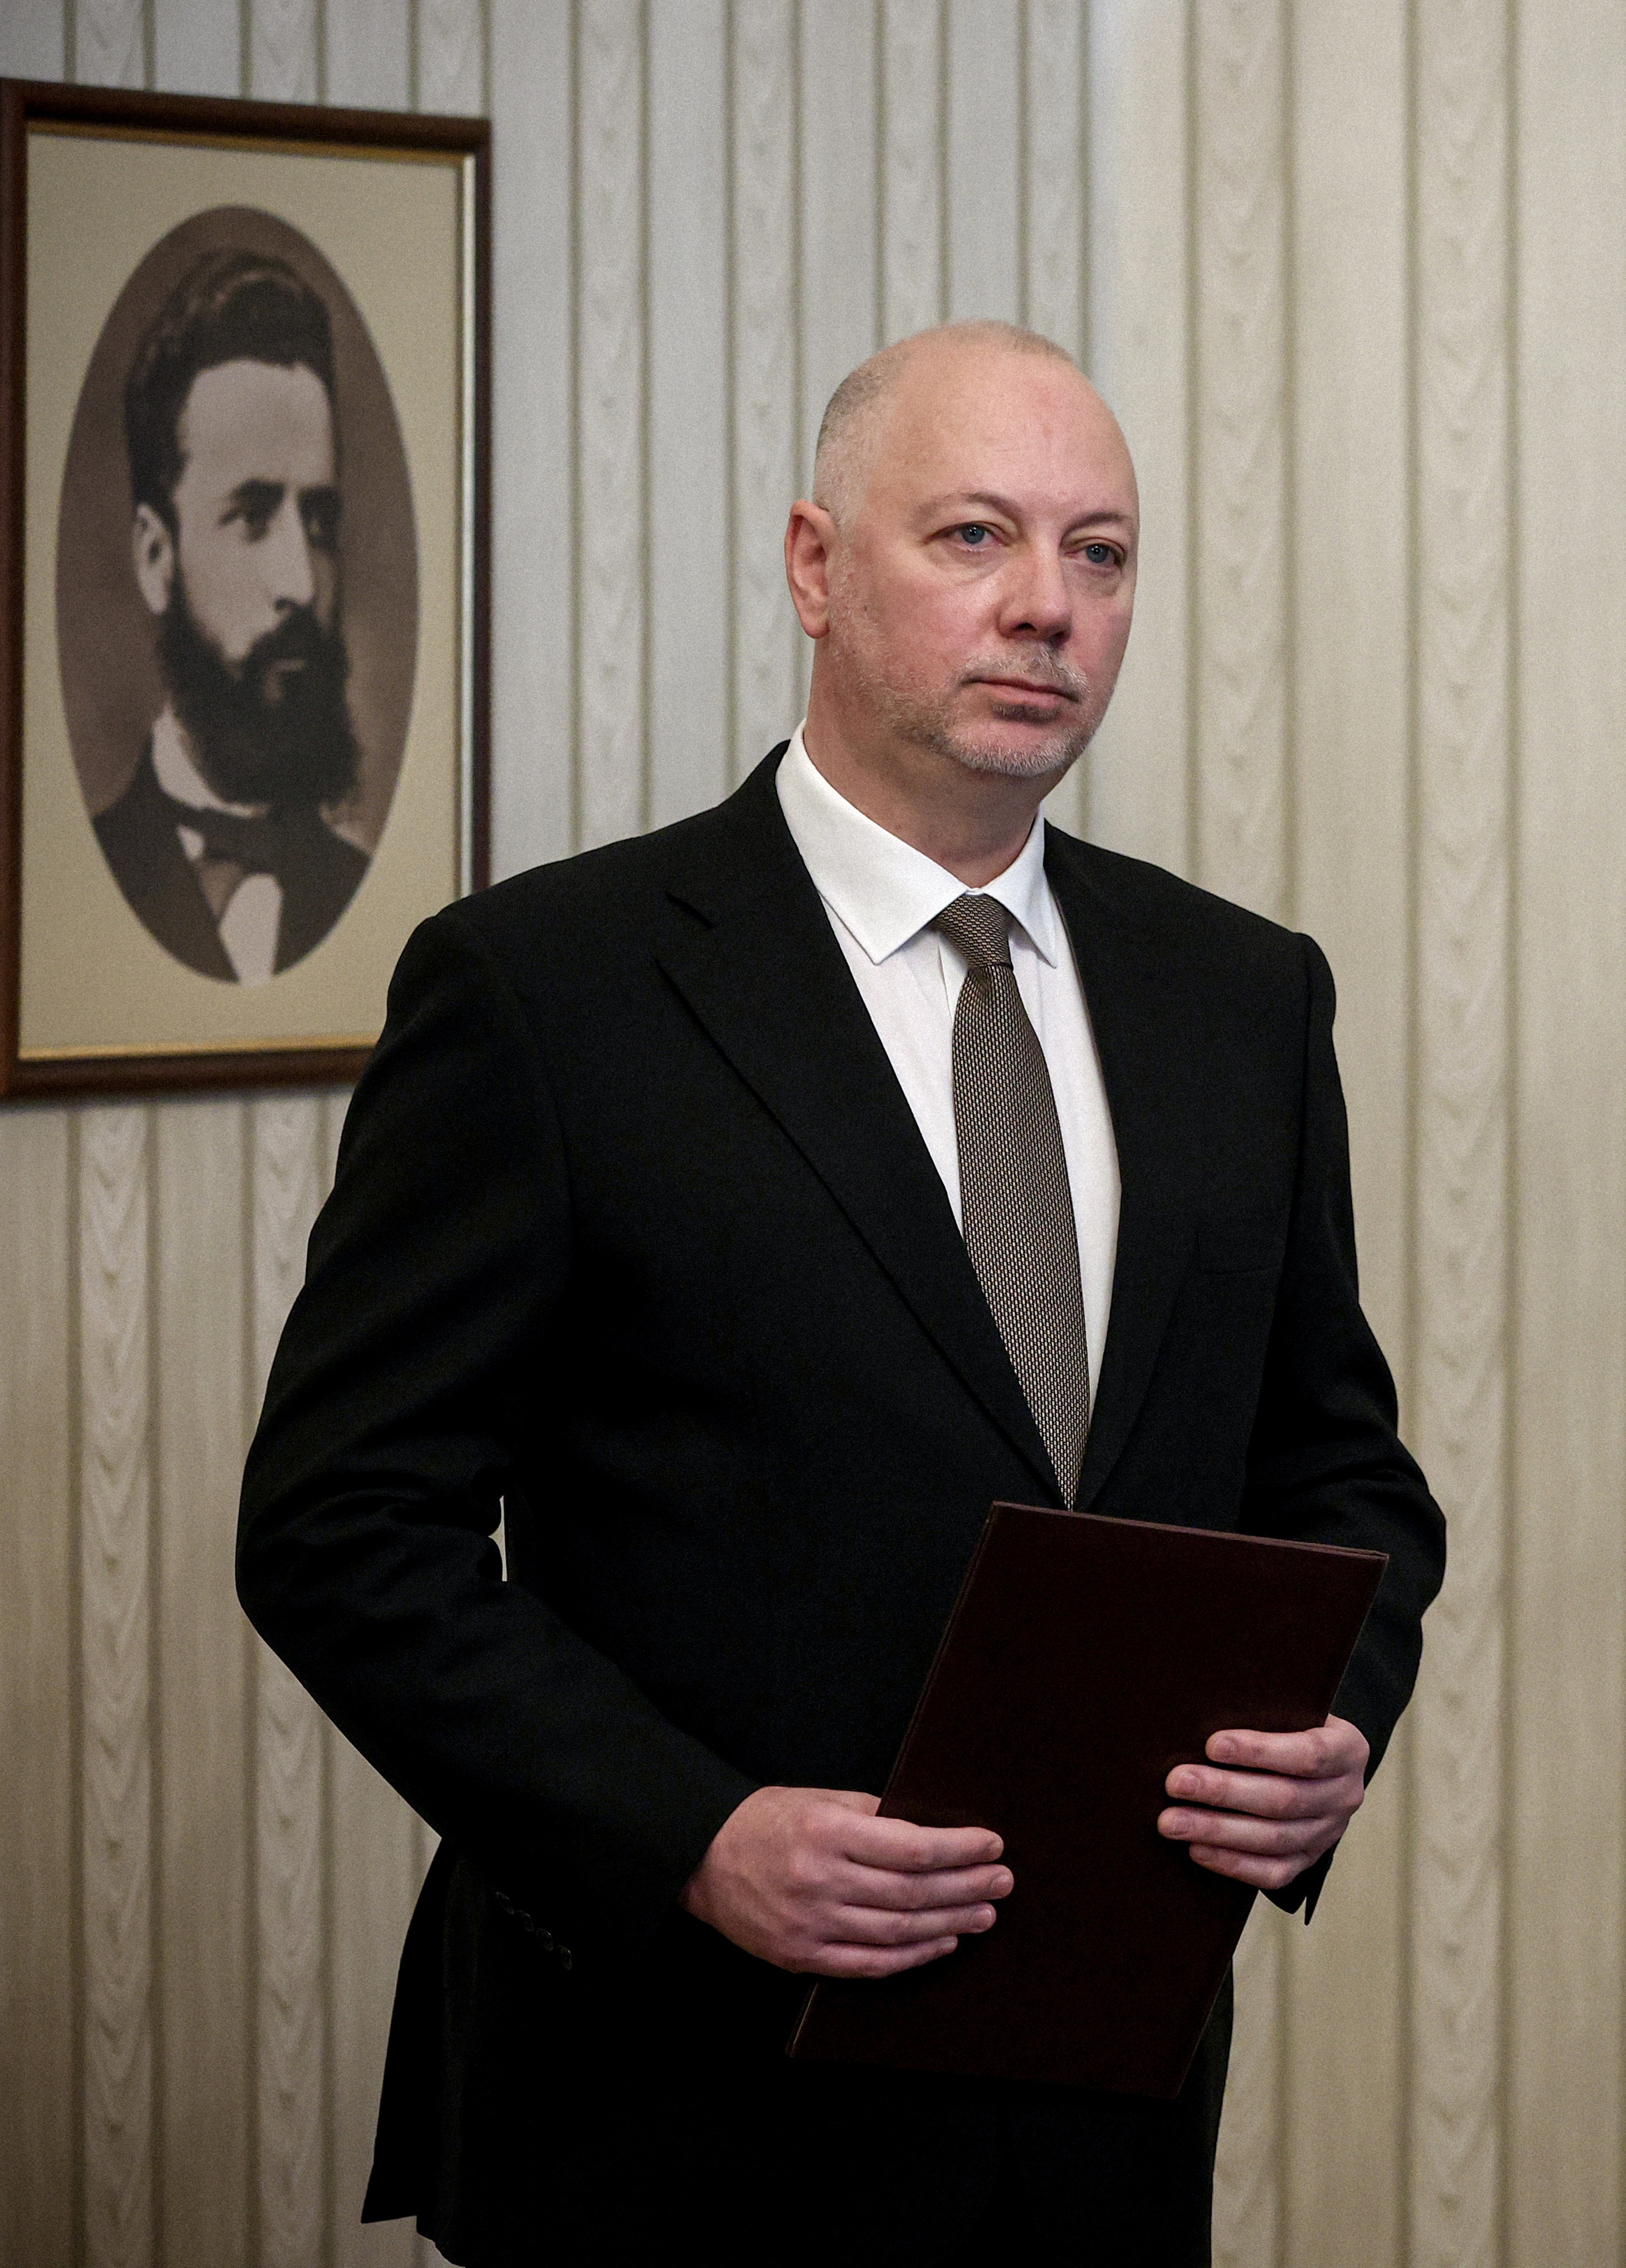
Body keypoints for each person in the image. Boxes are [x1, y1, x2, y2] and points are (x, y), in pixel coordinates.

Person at [237, 321, 1444, 2263]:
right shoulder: (550, 991)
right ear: (816, 565)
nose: (1045, 607)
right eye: (973, 536)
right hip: (666, 2100)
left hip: (1091, 2100)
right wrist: (688, 1835)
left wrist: (1334, 1719)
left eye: (1101, 552)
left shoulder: (1240, 995)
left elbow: (1346, 1475)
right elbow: (338, 1529)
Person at [98, 246, 372, 983]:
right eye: (251, 517)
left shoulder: (364, 893)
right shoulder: (91, 871)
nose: (302, 585)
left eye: (317, 523)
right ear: (156, 557)